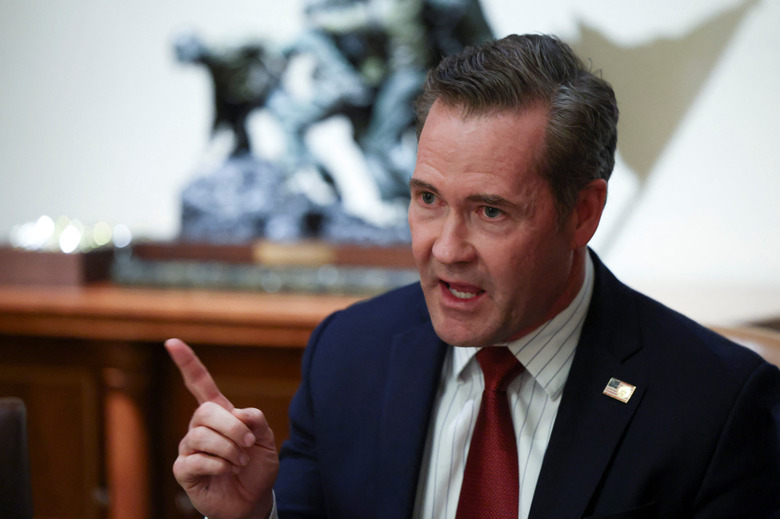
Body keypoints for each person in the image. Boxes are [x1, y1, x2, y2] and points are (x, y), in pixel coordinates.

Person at [165, 34, 780, 519]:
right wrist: (250, 515)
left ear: (583, 213)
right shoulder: (349, 354)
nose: (447, 249)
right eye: (428, 199)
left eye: (490, 211)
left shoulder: (716, 404)